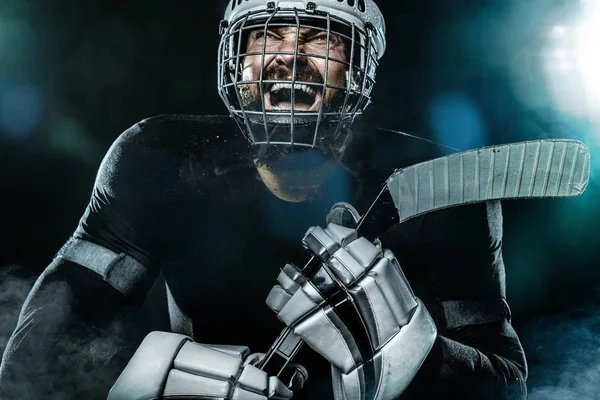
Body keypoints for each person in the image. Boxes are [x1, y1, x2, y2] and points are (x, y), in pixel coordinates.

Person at [0, 0, 527, 399]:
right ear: (238, 60)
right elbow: (35, 351)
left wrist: (415, 352)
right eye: (267, 37)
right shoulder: (160, 161)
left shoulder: (438, 186)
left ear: (358, 68)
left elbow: (507, 384)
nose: (289, 58)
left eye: (323, 40)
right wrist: (180, 375)